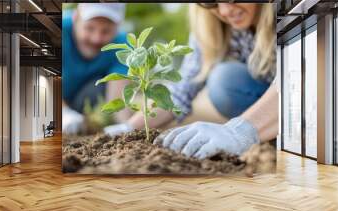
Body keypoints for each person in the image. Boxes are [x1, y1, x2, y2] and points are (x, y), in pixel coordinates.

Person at [105, 3, 278, 158]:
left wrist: (239, 132)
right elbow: (182, 89)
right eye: (211, 2)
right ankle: (270, 131)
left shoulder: (290, 10)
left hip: (298, 100)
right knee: (224, 81)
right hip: (269, 100)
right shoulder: (212, 25)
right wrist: (129, 128)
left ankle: (269, 127)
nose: (224, 10)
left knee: (224, 78)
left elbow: (298, 80)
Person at [62, 3, 131, 134]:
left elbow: (118, 97)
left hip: (83, 102)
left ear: (117, 27)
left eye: (106, 31)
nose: (96, 39)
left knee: (99, 86)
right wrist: (63, 113)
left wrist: (126, 128)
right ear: (76, 18)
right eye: (89, 28)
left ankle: (84, 124)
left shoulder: (122, 46)